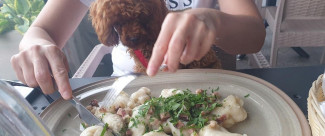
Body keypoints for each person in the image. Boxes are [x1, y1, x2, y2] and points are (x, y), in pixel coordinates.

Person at [10, 0, 266, 100]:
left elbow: (254, 36)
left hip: (203, 85)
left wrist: (215, 20)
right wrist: (37, 46)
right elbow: (41, 30)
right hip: (129, 91)